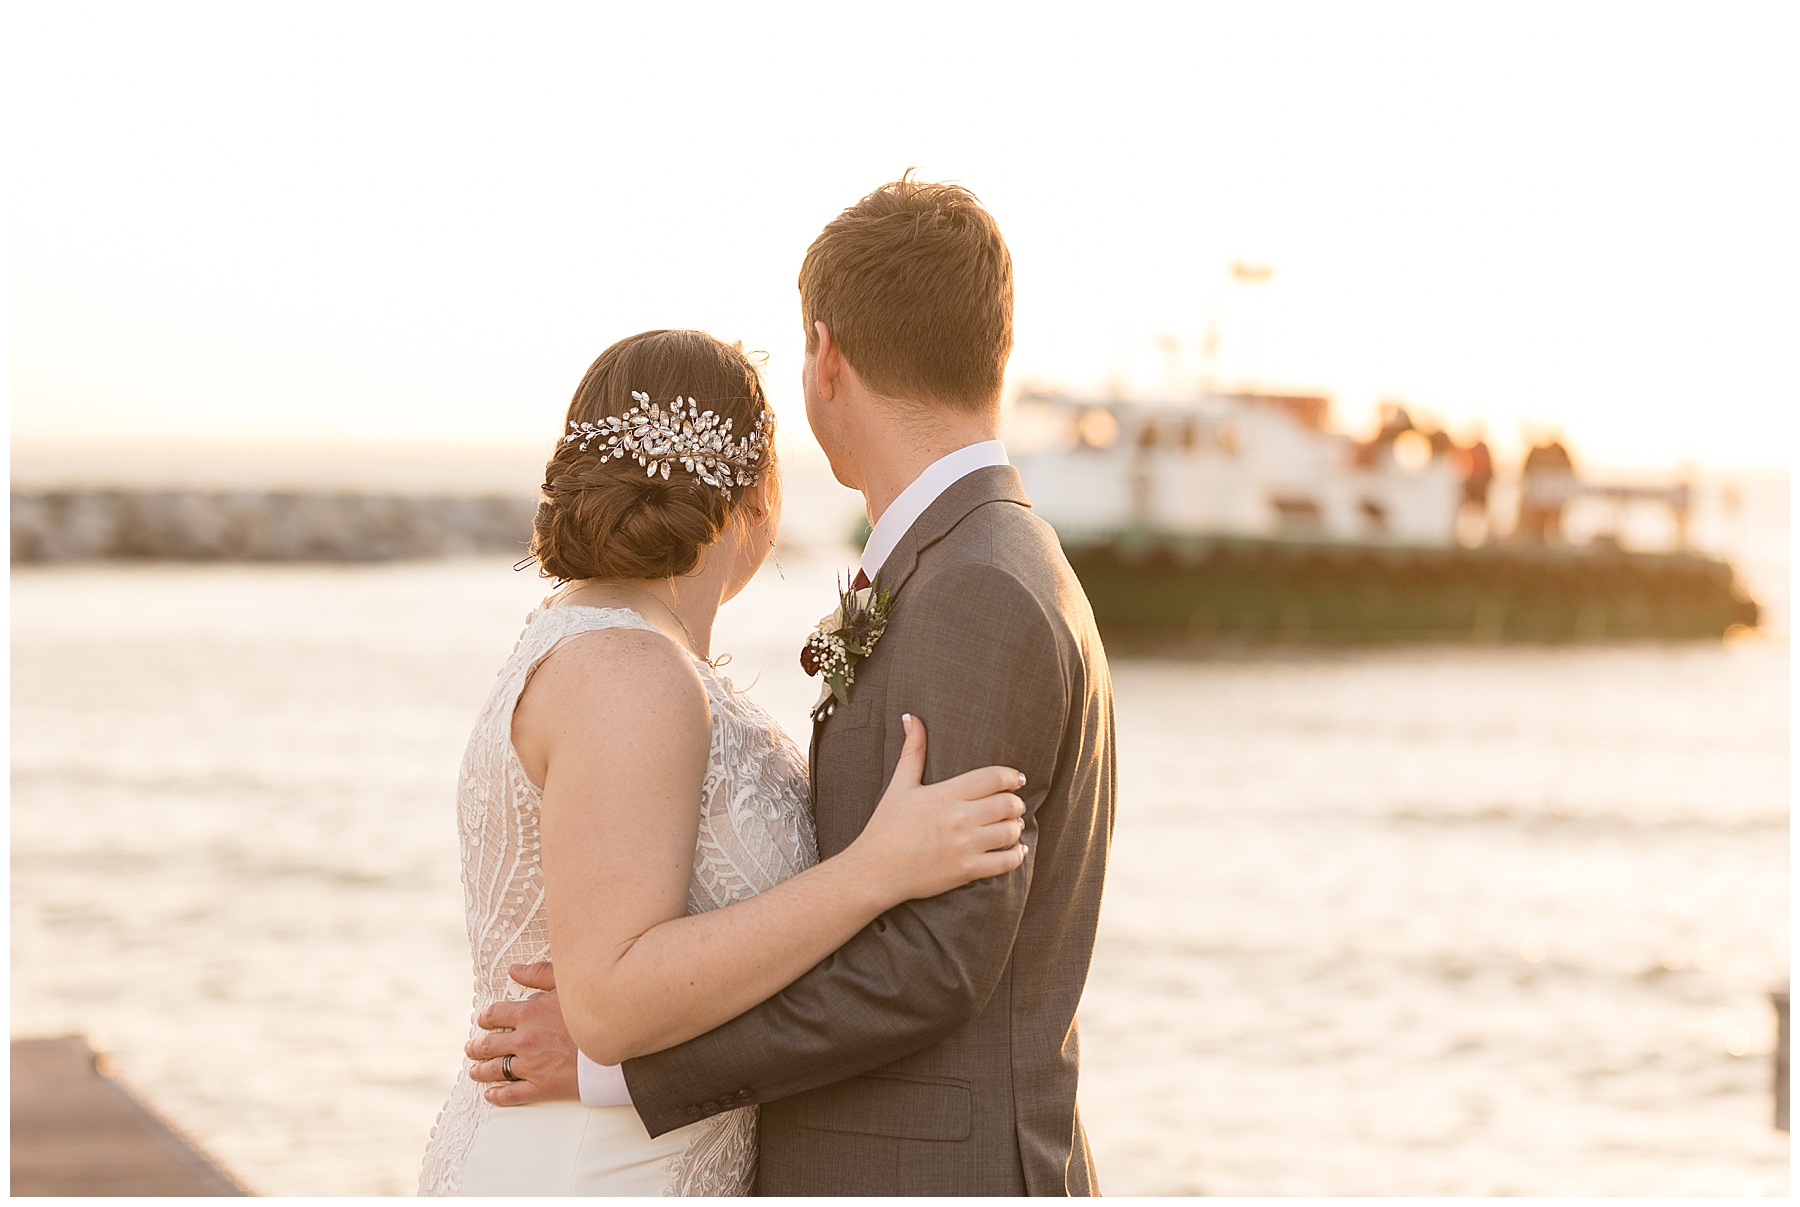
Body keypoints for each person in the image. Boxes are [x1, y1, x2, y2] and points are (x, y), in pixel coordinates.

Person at [456, 176, 1116, 1195]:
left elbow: (931, 964)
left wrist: (612, 1074)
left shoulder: (976, 583)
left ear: (826, 359)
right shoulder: (955, 567)